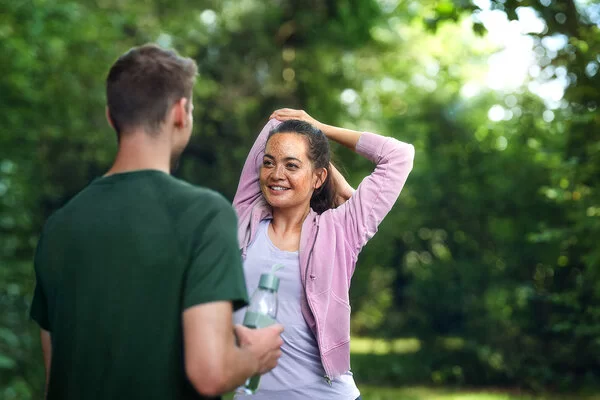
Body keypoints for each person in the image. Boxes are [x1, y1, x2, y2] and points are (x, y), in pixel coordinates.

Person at [29, 44, 284, 400]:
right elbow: (210, 373)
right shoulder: (204, 215)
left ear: (110, 116)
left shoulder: (58, 226)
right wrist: (254, 355)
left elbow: (55, 373)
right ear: (181, 113)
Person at [232, 108, 415, 399]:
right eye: (269, 163)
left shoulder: (341, 230)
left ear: (319, 178)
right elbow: (277, 122)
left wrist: (319, 128)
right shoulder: (245, 215)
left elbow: (399, 155)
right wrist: (305, 145)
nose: (276, 174)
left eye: (292, 166)